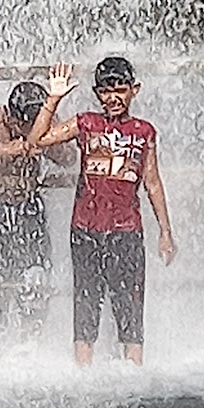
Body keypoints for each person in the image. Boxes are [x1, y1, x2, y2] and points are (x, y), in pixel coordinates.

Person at [25, 56, 176, 365]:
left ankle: (134, 373)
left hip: (127, 232)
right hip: (85, 230)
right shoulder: (86, 124)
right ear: (96, 94)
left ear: (135, 90)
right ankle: (84, 374)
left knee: (130, 306)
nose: (113, 98)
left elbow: (153, 183)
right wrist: (52, 99)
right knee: (85, 303)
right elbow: (35, 141)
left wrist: (165, 231)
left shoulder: (144, 132)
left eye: (120, 90)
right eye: (106, 92)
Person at [0, 81, 72, 341]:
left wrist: (47, 144)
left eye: (35, 124)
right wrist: (3, 151)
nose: (31, 131)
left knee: (36, 276)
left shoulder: (46, 118)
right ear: (11, 117)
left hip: (29, 207)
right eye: (25, 127)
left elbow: (69, 158)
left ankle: (29, 341)